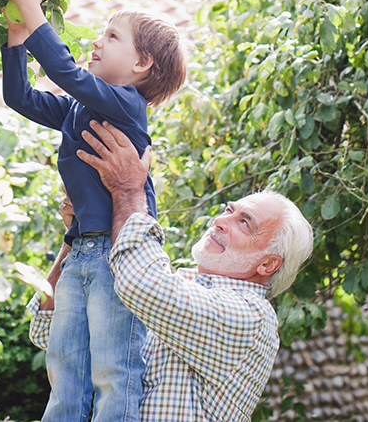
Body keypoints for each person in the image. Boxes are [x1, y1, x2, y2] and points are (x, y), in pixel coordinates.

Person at [0, 0, 187, 422]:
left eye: (112, 37)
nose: (97, 42)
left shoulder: (127, 105)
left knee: (113, 373)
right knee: (65, 376)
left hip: (116, 256)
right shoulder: (81, 109)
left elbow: (66, 72)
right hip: (81, 252)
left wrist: (32, 8)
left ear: (142, 65)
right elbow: (20, 98)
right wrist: (16, 38)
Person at [29, 120, 314, 422]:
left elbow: (143, 283)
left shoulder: (253, 318)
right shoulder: (175, 286)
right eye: (229, 210)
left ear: (267, 264)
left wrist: (128, 189)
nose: (220, 220)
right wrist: (79, 235)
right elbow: (49, 332)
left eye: (245, 222)